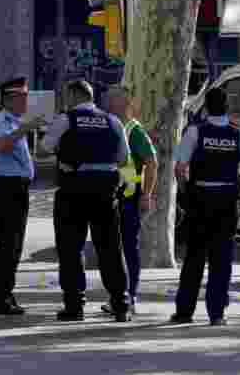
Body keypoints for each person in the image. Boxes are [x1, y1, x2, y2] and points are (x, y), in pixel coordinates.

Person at [40, 79, 132, 322]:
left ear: (73, 95)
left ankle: (74, 306)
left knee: (71, 249)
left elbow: (44, 148)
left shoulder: (66, 120)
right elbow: (124, 159)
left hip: (74, 189)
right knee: (111, 248)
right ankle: (120, 304)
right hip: (105, 190)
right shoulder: (113, 121)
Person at [171, 87, 240, 326]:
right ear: (227, 108)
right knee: (221, 260)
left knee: (194, 258)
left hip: (200, 199)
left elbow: (180, 168)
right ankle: (217, 314)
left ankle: (184, 312)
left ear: (206, 107)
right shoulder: (238, 135)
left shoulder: (195, 132)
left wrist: (185, 190)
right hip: (226, 201)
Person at [0, 76, 46, 316]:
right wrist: (25, 129)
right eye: (22, 97)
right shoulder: (4, 120)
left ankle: (5, 296)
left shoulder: (12, 120)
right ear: (10, 99)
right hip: (7, 188)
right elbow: (1, 146)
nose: (26, 101)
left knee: (13, 245)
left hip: (15, 188)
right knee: (9, 245)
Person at [101, 85, 158, 315]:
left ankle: (130, 296)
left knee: (128, 249)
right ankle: (117, 296)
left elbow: (151, 162)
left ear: (122, 103)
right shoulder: (111, 126)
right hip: (112, 195)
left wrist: (147, 194)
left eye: (110, 101)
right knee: (113, 249)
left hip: (128, 197)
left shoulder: (134, 131)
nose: (106, 105)